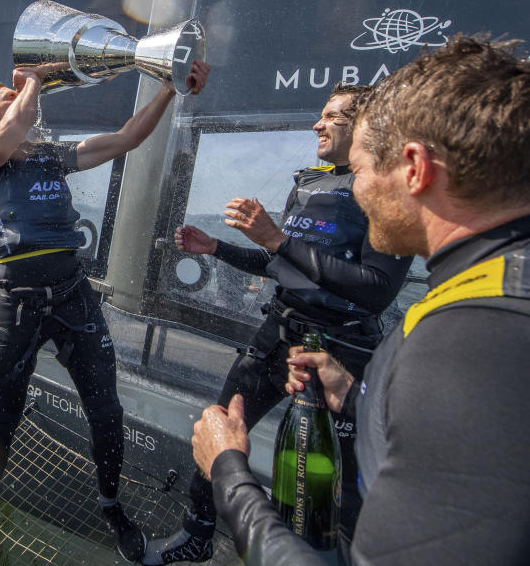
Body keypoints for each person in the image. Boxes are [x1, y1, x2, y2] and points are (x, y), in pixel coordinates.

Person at [192, 34, 530, 565]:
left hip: (342, 341)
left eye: (366, 166)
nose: (358, 185)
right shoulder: (483, 296)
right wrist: (356, 396)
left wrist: (229, 469)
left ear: (414, 168)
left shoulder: (467, 345)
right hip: (304, 350)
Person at [0, 59, 210, 566]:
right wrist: (34, 82)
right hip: (17, 305)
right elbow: (14, 132)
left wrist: (168, 89)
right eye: (8, 95)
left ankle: (112, 507)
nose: (22, 97)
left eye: (22, 93)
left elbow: (125, 140)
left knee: (107, 412)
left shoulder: (51, 157)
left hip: (74, 296)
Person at [148, 84, 412, 565]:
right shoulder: (307, 184)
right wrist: (218, 249)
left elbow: (377, 288)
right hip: (278, 336)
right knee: (220, 426)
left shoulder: (383, 188)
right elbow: (281, 263)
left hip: (344, 352)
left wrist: (275, 239)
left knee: (348, 481)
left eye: (332, 116)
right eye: (321, 115)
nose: (317, 124)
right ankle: (197, 533)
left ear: (367, 125)